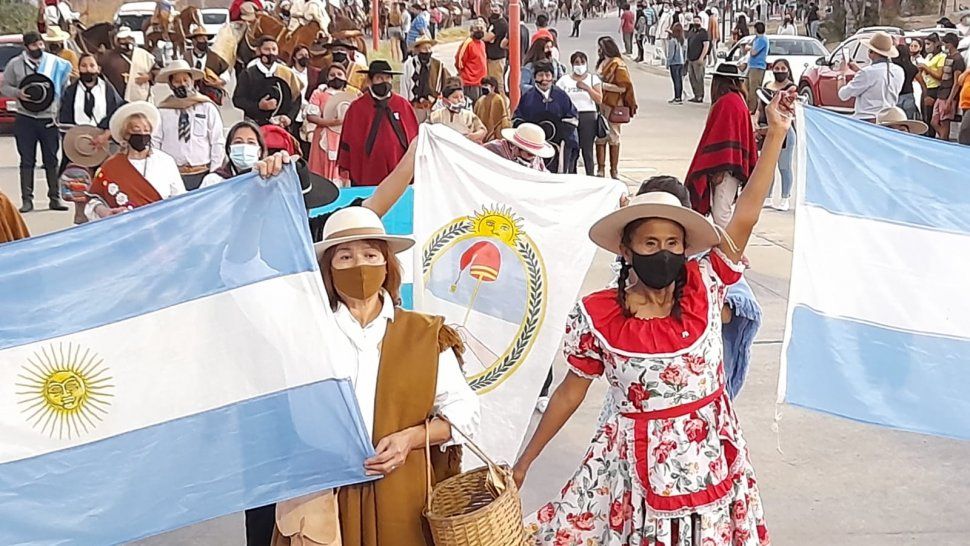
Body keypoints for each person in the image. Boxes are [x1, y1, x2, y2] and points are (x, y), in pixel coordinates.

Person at [515, 89, 795, 546]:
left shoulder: (708, 283)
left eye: (672, 244)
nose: (663, 254)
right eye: (649, 244)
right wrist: (526, 461)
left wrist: (777, 135)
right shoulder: (598, 314)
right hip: (631, 476)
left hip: (711, 465)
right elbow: (569, 392)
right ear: (626, 251)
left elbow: (744, 216)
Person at [306, 206, 480, 546]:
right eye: (345, 257)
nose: (359, 266)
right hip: (324, 495)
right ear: (329, 269)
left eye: (371, 255)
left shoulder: (425, 334)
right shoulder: (309, 334)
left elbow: (465, 414)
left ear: (387, 265)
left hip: (403, 493)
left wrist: (410, 439)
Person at [2, 31, 72, 213]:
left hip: (48, 118)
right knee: (27, 160)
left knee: (51, 159)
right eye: (34, 46)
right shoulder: (15, 65)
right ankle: (27, 200)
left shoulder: (53, 64)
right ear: (26, 47)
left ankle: (55, 198)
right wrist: (18, 93)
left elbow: (63, 88)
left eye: (41, 44)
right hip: (25, 118)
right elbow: (5, 87)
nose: (39, 48)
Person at [685, 63, 758, 227]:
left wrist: (719, 169)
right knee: (721, 212)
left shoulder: (727, 103)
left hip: (726, 168)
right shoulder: (737, 100)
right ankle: (727, 249)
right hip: (731, 166)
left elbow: (722, 139)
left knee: (721, 215)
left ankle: (730, 250)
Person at [87, 101, 184, 221]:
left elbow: (180, 199)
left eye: (146, 130)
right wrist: (105, 212)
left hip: (160, 228)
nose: (142, 135)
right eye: (137, 131)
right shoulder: (111, 166)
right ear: (126, 135)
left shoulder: (165, 161)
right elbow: (93, 199)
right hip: (124, 229)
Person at [338, 60, 419, 186]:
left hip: (398, 169)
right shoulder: (357, 108)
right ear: (370, 81)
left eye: (387, 78)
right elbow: (350, 140)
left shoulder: (402, 105)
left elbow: (413, 137)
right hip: (368, 172)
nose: (384, 82)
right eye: (379, 78)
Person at [152, 60, 225, 191]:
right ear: (171, 85)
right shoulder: (163, 110)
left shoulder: (207, 107)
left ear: (192, 81)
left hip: (202, 171)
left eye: (186, 80)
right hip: (174, 173)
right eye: (177, 81)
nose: (183, 84)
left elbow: (217, 141)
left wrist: (214, 173)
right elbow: (156, 142)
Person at [58, 53, 123, 172]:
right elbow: (64, 117)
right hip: (77, 143)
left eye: (91, 65)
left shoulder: (108, 89)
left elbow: (117, 111)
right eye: (84, 66)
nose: (88, 69)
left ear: (98, 69)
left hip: (102, 140)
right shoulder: (71, 91)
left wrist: (106, 134)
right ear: (79, 69)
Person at [513, 62, 579, 173]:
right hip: (533, 144)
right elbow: (518, 119)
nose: (544, 79)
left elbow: (572, 118)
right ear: (534, 78)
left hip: (559, 143)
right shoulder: (527, 97)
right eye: (540, 75)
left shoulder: (561, 96)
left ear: (552, 77)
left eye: (547, 75)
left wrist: (559, 134)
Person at [304, 64, 359, 184]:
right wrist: (331, 122)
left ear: (345, 78)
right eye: (332, 75)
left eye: (339, 75)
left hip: (343, 137)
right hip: (323, 137)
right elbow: (311, 116)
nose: (336, 77)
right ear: (327, 78)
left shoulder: (352, 96)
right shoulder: (319, 93)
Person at [233, 36, 303, 126]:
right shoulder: (248, 74)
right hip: (254, 123)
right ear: (258, 51)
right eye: (267, 49)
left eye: (274, 49)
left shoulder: (287, 73)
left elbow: (297, 98)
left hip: (280, 125)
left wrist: (289, 117)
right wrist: (258, 106)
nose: (271, 53)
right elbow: (238, 100)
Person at [837, 31, 904, 122]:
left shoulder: (868, 72)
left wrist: (841, 74)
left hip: (867, 119)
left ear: (871, 52)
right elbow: (878, 79)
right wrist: (859, 71)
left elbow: (843, 95)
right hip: (889, 118)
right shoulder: (899, 71)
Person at [597, 36, 637, 179]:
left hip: (614, 104)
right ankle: (601, 168)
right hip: (600, 102)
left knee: (613, 135)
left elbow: (623, 87)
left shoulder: (618, 64)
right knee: (600, 134)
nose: (598, 50)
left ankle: (614, 170)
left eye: (600, 47)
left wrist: (603, 86)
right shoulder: (603, 62)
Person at [557, 52, 603, 175]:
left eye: (582, 62)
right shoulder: (564, 80)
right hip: (570, 117)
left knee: (587, 149)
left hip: (588, 116)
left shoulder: (593, 79)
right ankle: (572, 174)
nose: (580, 65)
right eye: (577, 63)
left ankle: (590, 175)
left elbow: (599, 99)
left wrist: (587, 88)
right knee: (572, 149)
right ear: (572, 64)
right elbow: (558, 97)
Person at [759, 60, 796, 211]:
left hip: (785, 131)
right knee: (768, 166)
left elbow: (790, 105)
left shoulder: (791, 88)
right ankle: (767, 196)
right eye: (777, 68)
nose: (779, 71)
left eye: (783, 68)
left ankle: (785, 197)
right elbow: (759, 109)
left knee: (784, 166)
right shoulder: (766, 86)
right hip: (767, 129)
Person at [401, 36, 450, 123]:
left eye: (429, 48)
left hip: (433, 107)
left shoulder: (438, 65)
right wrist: (405, 106)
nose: (427, 51)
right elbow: (404, 86)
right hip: (415, 106)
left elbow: (445, 84)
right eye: (424, 48)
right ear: (417, 50)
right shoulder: (409, 65)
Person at [103, 27, 157, 103]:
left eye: (129, 38)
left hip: (140, 97)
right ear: (118, 40)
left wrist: (149, 76)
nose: (127, 41)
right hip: (116, 97)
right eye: (123, 39)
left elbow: (158, 71)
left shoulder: (144, 55)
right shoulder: (108, 56)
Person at [929, 33, 965, 140]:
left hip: (948, 95)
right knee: (934, 121)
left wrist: (950, 100)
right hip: (941, 93)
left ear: (950, 44)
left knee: (945, 123)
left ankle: (944, 141)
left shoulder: (958, 60)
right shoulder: (948, 57)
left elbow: (956, 82)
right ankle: (943, 139)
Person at [483, 123, 554, 171]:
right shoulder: (494, 148)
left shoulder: (537, 158)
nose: (533, 156)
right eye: (529, 153)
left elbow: (543, 174)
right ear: (516, 146)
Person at [456, 18, 488, 102]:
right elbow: (459, 61)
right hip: (470, 83)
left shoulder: (482, 43)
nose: (479, 30)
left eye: (481, 28)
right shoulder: (468, 43)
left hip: (481, 81)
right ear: (471, 30)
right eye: (476, 28)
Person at [919, 34, 945, 138]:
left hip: (934, 89)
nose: (927, 46)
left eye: (929, 44)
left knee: (931, 119)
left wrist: (925, 68)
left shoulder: (941, 57)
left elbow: (939, 75)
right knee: (925, 117)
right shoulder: (929, 57)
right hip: (926, 88)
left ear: (936, 44)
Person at [289, 45, 312, 155]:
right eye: (301, 55)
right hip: (293, 115)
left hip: (309, 116)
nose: (304, 57)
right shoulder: (289, 73)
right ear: (294, 57)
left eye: (306, 55)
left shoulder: (314, 73)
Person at [473, 76, 511, 142]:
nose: (483, 87)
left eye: (486, 85)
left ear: (493, 87)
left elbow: (500, 120)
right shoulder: (480, 100)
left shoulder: (498, 99)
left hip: (495, 136)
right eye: (482, 85)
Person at [484, 2, 509, 95]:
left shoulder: (501, 24)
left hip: (497, 59)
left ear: (501, 10)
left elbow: (487, 37)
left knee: (498, 83)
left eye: (496, 8)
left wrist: (479, 34)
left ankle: (502, 103)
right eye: (492, 7)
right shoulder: (493, 22)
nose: (493, 10)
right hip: (492, 58)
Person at [893, 44, 921, 121]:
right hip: (909, 95)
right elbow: (922, 83)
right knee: (909, 122)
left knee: (895, 122)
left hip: (895, 96)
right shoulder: (912, 68)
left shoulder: (893, 68)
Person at [686, 14, 710, 103]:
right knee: (692, 77)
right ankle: (696, 95)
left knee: (699, 78)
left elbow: (706, 45)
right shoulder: (691, 31)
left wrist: (702, 57)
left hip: (698, 59)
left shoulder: (703, 33)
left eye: (697, 21)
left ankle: (700, 96)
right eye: (695, 21)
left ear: (701, 22)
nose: (696, 23)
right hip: (690, 58)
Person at [746, 21, 769, 112]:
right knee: (746, 86)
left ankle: (752, 109)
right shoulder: (756, 39)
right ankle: (747, 106)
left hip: (758, 67)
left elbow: (754, 52)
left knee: (753, 89)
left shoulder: (763, 40)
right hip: (751, 65)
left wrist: (749, 48)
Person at [666, 22, 687, 104]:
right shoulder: (683, 41)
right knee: (680, 80)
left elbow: (671, 53)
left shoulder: (672, 41)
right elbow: (685, 51)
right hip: (681, 62)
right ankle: (679, 97)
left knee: (675, 80)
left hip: (674, 63)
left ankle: (676, 97)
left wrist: (668, 62)